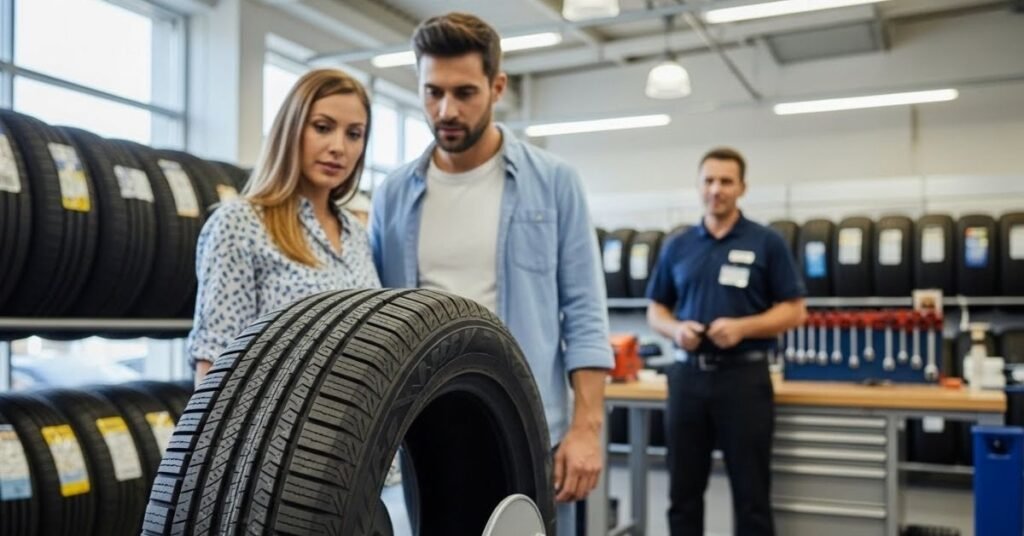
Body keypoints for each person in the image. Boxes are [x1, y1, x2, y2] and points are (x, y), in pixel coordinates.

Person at [369, 12, 613, 534]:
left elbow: (586, 312)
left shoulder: (553, 182)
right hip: (426, 425)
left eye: (464, 92)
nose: (446, 110)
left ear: (497, 87)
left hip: (526, 422)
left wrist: (586, 427)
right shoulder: (393, 194)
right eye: (432, 92)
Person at [645, 148, 807, 535]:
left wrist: (743, 327)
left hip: (744, 381)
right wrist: (677, 331)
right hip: (687, 380)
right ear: (698, 186)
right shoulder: (678, 245)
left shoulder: (766, 241)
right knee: (683, 496)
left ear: (742, 188)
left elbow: (795, 310)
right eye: (709, 181)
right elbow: (656, 310)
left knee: (752, 499)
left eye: (726, 181)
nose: (716, 189)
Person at [188, 68, 380, 384]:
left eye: (354, 134)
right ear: (290, 130)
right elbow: (213, 370)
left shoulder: (357, 235)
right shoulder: (239, 224)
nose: (339, 147)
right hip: (270, 431)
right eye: (322, 127)